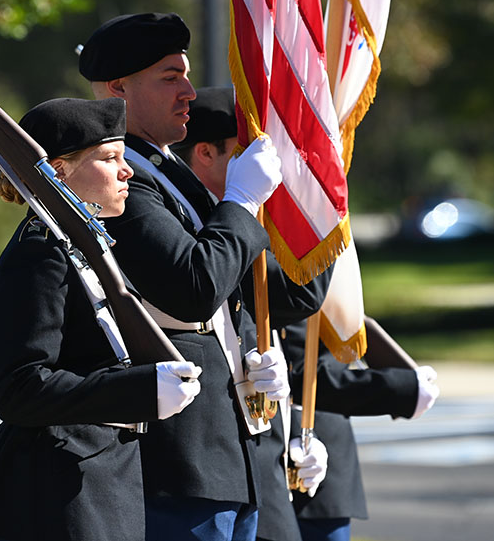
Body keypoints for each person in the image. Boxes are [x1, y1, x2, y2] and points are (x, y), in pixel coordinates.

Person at [77, 13, 332, 541]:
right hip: (175, 456)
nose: (189, 92)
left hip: (226, 448)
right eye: (170, 77)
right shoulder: (123, 183)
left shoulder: (171, 176)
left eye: (186, 75)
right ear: (118, 88)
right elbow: (193, 288)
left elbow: (289, 297)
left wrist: (316, 205)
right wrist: (239, 201)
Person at [173, 86, 441, 541]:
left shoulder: (251, 222)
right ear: (205, 152)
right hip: (233, 469)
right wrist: (397, 390)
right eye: (248, 153)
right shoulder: (223, 229)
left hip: (294, 458)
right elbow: (298, 317)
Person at [0, 97, 203, 541]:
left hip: (99, 477)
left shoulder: (82, 247)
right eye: (110, 158)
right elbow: (22, 389)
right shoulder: (39, 254)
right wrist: (139, 389)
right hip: (54, 491)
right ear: (59, 171)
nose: (127, 170)